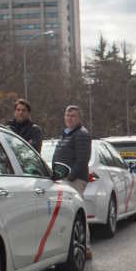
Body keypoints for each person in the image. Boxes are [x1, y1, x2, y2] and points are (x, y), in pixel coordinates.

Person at [52, 104, 91, 258]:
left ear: (79, 117)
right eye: (67, 115)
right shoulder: (67, 134)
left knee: (77, 213)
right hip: (63, 179)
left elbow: (82, 160)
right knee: (71, 214)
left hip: (74, 180)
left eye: (73, 116)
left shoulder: (81, 134)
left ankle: (85, 247)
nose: (69, 118)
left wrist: (69, 177)